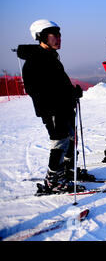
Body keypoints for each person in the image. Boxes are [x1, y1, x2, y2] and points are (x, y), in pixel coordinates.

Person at [17, 19, 91, 195]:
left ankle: (67, 170)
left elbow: (59, 83)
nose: (59, 38)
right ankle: (53, 180)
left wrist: (72, 92)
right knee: (60, 142)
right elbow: (35, 89)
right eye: (54, 35)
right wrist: (63, 97)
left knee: (71, 139)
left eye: (59, 35)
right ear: (41, 36)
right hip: (52, 109)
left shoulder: (50, 57)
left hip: (64, 106)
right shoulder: (35, 60)